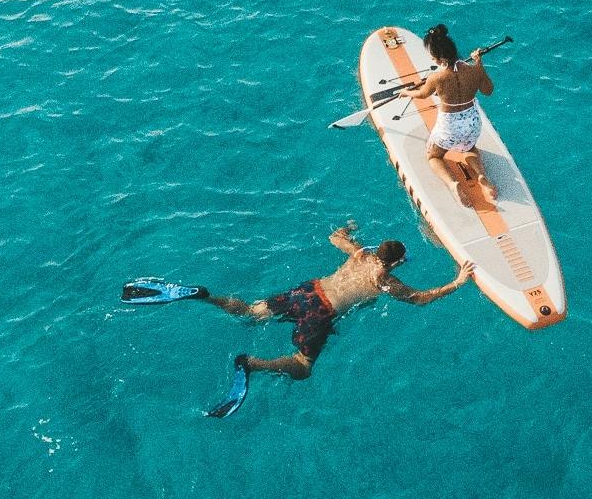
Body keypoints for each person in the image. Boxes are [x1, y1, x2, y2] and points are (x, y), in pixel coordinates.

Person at [200, 223, 474, 387]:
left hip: (308, 291)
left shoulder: (361, 253)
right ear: (394, 263)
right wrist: (457, 283)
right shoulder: (383, 279)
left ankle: (206, 296)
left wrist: (350, 228)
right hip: (320, 312)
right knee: (303, 367)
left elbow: (335, 236)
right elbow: (419, 299)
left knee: (250, 311)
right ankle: (252, 364)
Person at [407, 23, 497, 202]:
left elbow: (422, 94)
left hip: (449, 128)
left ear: (440, 59)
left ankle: (452, 184)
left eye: (433, 58)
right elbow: (488, 90)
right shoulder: (473, 70)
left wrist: (407, 92)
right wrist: (479, 64)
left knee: (434, 156)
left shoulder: (436, 78)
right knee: (469, 148)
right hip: (472, 123)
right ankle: (480, 175)